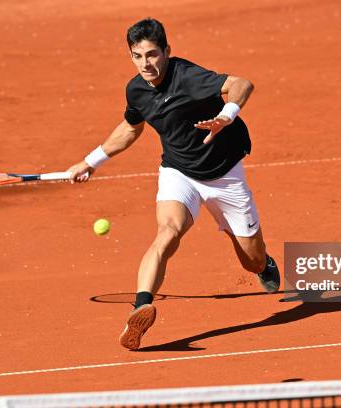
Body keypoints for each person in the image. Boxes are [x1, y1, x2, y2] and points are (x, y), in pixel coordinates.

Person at [67, 18, 280, 350]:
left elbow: (242, 83)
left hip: (224, 176)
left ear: (167, 51)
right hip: (179, 173)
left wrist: (227, 114)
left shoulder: (188, 77)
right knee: (167, 232)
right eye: (137, 56)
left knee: (251, 261)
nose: (146, 64)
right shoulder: (136, 89)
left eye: (152, 54)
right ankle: (141, 308)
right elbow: (130, 128)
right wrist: (90, 162)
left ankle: (263, 263)